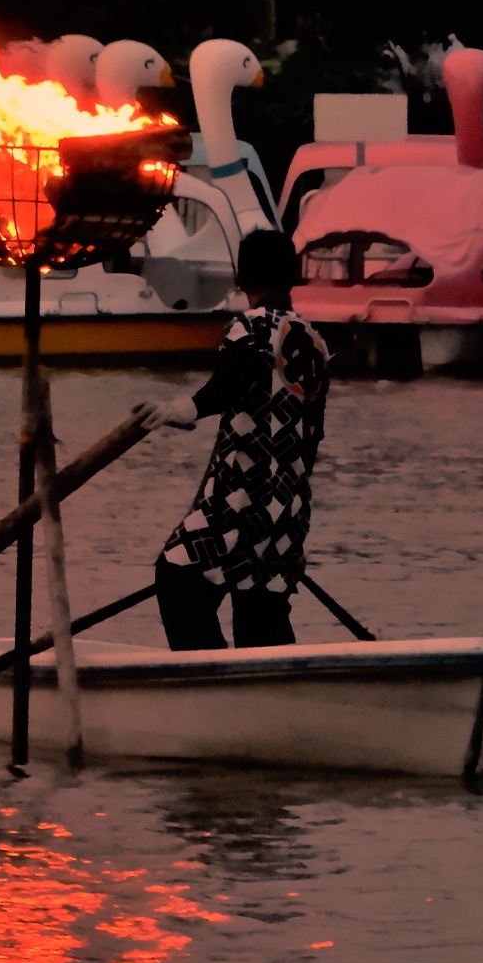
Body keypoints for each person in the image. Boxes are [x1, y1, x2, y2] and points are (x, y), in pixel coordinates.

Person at [132, 230, 330, 651]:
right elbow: (314, 429)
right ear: (293, 275)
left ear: (240, 277)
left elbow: (230, 382)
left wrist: (180, 410)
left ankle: (205, 676)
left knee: (178, 573)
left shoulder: (250, 327)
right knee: (260, 604)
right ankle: (268, 692)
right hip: (289, 504)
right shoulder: (314, 340)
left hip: (241, 494)